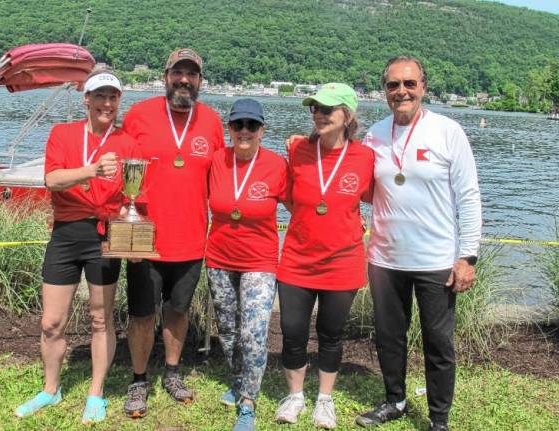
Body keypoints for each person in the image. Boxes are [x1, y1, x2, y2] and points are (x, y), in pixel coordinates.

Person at [355, 56, 482, 431]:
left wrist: (468, 256)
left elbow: (469, 197)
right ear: (385, 92)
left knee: (438, 343)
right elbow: (361, 188)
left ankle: (438, 419)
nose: (402, 91)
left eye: (409, 84)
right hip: (385, 258)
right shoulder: (374, 135)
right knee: (389, 337)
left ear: (423, 87)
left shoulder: (448, 131)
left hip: (435, 260)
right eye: (393, 85)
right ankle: (394, 400)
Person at [15, 71, 134, 424]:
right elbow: (52, 179)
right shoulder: (62, 134)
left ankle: (95, 394)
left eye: (113, 97)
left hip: (104, 234)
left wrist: (129, 210)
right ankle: (50, 390)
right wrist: (92, 171)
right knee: (52, 322)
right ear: (86, 98)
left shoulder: (127, 142)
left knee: (100, 318)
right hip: (66, 234)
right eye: (100, 96)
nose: (107, 104)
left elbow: (133, 192)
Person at [121, 48, 225, 418]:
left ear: (200, 81)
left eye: (192, 74)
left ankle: (173, 372)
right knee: (142, 313)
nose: (184, 79)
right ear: (165, 76)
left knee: (178, 310)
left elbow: (223, 179)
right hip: (145, 237)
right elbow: (120, 167)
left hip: (192, 238)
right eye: (178, 72)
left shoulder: (212, 121)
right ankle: (138, 380)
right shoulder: (138, 115)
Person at [274, 83, 374, 429]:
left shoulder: (365, 157)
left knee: (331, 334)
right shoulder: (298, 149)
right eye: (314, 108)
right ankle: (295, 395)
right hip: (297, 260)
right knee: (292, 331)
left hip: (342, 263)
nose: (318, 114)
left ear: (347, 115)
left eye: (327, 109)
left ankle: (324, 400)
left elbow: (379, 198)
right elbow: (287, 194)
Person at [205, 98, 288, 431]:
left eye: (251, 125)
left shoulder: (277, 165)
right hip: (219, 259)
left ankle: (249, 402)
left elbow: (302, 205)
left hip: (260, 261)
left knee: (253, 332)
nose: (244, 131)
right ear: (229, 129)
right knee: (227, 331)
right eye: (238, 125)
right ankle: (238, 379)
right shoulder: (215, 161)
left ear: (262, 131)